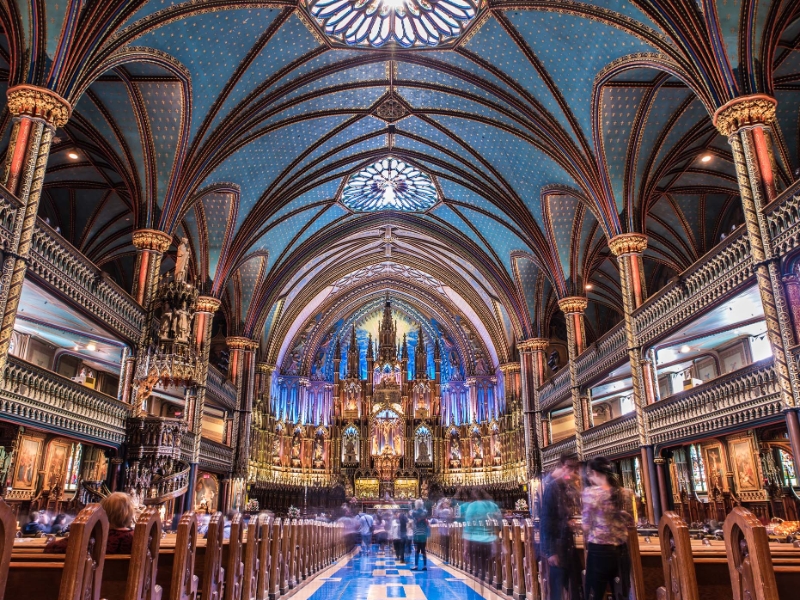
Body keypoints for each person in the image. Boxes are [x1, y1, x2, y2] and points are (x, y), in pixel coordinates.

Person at [581, 456, 634, 600]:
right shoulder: (626, 493)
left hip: (600, 550)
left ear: (594, 473)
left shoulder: (591, 494)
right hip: (621, 550)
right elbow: (630, 521)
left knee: (595, 593)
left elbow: (586, 525)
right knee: (621, 593)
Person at [540, 455, 581, 600]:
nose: (574, 473)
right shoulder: (551, 487)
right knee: (557, 591)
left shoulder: (565, 487)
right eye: (572, 469)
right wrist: (550, 552)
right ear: (564, 467)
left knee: (575, 588)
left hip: (568, 545)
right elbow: (546, 520)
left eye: (576, 469)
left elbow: (564, 514)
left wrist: (570, 521)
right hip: (557, 547)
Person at [45, 492, 135, 554]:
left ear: (103, 513)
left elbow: (52, 548)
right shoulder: (136, 538)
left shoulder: (90, 536)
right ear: (130, 514)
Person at [462, 489, 500, 581]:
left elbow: (468, 527)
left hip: (475, 541)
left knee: (476, 569)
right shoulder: (493, 506)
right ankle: (488, 580)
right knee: (487, 566)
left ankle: (477, 583)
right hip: (489, 541)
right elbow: (498, 525)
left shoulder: (472, 506)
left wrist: (466, 548)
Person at [409, 499, 430, 571]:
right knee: (423, 550)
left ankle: (416, 565)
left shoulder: (414, 512)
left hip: (417, 534)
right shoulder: (425, 512)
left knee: (417, 550)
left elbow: (411, 513)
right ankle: (424, 565)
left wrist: (409, 504)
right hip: (423, 534)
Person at [434, 498, 454, 564]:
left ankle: (446, 556)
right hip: (445, 528)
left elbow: (437, 513)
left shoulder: (447, 510)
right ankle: (445, 556)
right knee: (444, 543)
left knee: (445, 543)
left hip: (445, 528)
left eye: (445, 503)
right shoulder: (449, 510)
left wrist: (439, 504)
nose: (444, 504)